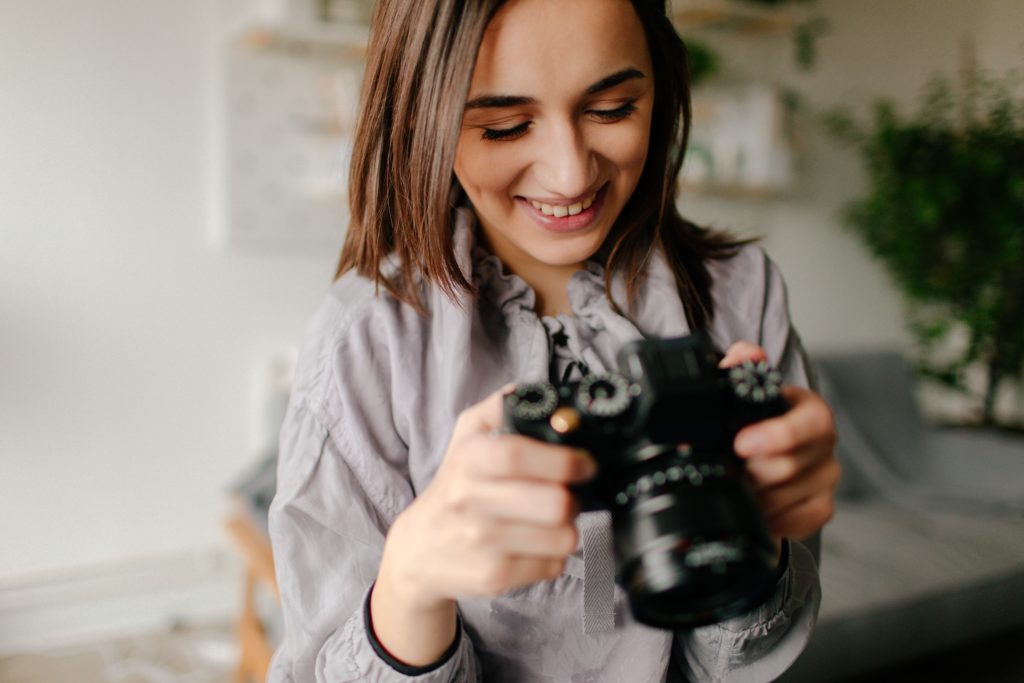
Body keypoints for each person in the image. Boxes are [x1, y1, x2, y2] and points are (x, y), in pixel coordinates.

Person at [267, 0, 840, 681]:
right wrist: (411, 584)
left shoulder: (740, 296)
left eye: (613, 109)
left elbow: (749, 659)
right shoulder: (365, 341)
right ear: (423, 118)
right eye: (506, 126)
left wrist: (761, 532)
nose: (570, 174)